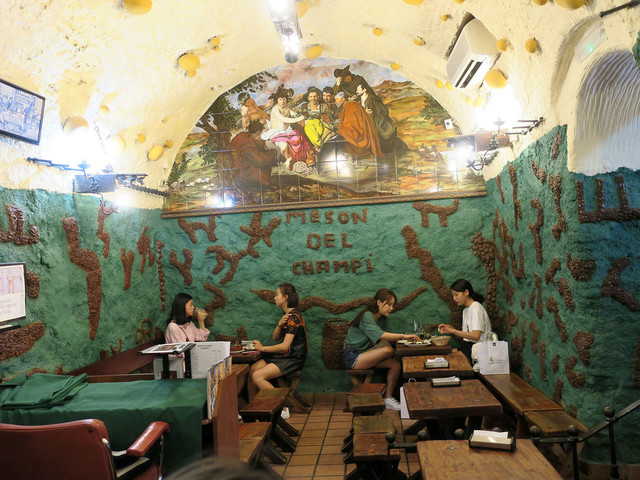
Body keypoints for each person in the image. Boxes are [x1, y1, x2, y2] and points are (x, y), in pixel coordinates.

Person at [343, 289, 420, 411]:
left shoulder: (382, 319)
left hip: (367, 354)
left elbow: (390, 336)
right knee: (388, 350)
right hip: (353, 357)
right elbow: (382, 336)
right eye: (389, 304)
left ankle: (388, 398)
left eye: (393, 305)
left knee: (395, 364)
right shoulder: (367, 315)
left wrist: (407, 341)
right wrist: (404, 336)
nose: (391, 308)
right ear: (379, 302)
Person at [249, 283, 308, 403]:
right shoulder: (287, 315)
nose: (274, 297)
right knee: (253, 369)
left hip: (293, 358)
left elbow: (284, 347)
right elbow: (275, 337)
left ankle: (281, 408)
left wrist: (262, 348)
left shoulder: (294, 318)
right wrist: (279, 324)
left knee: (257, 376)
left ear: (285, 297)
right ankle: (253, 405)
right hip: (284, 356)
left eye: (277, 294)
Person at [438, 279, 492, 363]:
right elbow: (467, 335)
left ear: (466, 292)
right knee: (444, 355)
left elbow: (476, 336)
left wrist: (454, 331)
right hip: (469, 347)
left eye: (456, 295)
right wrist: (452, 330)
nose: (454, 298)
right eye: (453, 295)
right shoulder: (465, 311)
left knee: (450, 360)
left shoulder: (476, 307)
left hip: (480, 350)